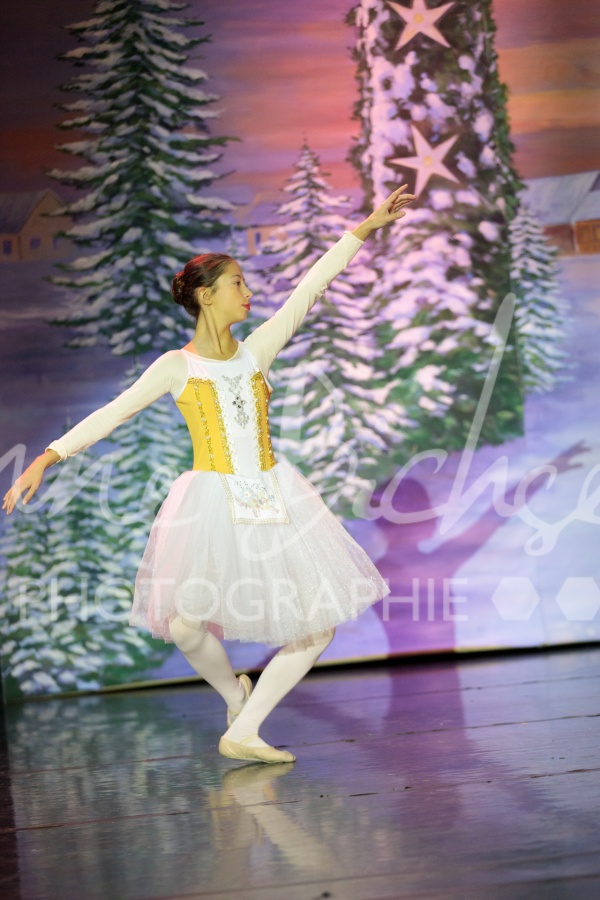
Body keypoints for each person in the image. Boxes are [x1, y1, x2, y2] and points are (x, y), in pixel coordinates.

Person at [3, 185, 415, 764]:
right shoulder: (177, 366)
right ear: (206, 296)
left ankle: (244, 730)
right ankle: (236, 700)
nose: (249, 292)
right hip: (211, 499)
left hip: (273, 495)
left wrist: (366, 228)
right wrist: (48, 456)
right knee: (185, 625)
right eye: (237, 284)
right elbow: (114, 412)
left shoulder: (257, 351)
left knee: (317, 626)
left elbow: (310, 288)